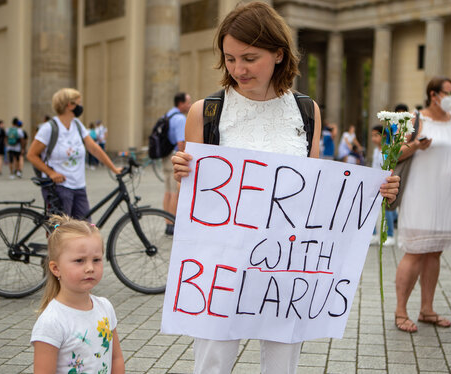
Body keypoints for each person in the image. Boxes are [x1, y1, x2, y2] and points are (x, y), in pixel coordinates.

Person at [170, 3, 400, 372]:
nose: (238, 69)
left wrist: (374, 190)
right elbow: (198, 190)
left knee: (282, 361)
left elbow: (313, 187)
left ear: (279, 53)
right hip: (222, 262)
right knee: (212, 359)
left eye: (249, 57)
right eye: (229, 58)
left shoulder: (306, 111)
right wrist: (183, 170)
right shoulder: (206, 111)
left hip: (286, 263)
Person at [394, 76, 451, 333]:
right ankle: (401, 311)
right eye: (449, 92)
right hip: (420, 195)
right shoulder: (415, 119)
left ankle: (427, 309)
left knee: (434, 252)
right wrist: (416, 146)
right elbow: (394, 153)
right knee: (415, 251)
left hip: (448, 197)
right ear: (433, 95)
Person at [31, 215, 125, 374]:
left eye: (96, 259)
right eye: (79, 261)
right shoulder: (51, 322)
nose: (90, 268)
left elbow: (116, 359)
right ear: (56, 268)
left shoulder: (105, 307)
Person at [27, 88, 122, 220]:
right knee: (59, 230)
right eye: (78, 103)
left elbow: (94, 149)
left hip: (78, 186)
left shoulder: (77, 125)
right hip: (58, 188)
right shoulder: (49, 128)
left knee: (86, 229)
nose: (80, 107)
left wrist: (114, 168)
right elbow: (31, 155)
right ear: (69, 105)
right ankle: (53, 239)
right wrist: (51, 173)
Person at [163, 92, 192, 236]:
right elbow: (181, 142)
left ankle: (167, 222)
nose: (190, 105)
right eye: (188, 102)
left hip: (165, 155)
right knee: (176, 192)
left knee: (168, 191)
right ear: (181, 103)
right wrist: (183, 157)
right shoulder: (180, 118)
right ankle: (172, 222)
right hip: (175, 155)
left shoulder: (168, 115)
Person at [370, 124, 396, 247]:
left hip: (385, 183)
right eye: (372, 136)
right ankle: (374, 234)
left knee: (387, 208)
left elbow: (390, 167)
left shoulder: (388, 150)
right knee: (373, 208)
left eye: (376, 135)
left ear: (384, 136)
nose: (373, 138)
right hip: (375, 182)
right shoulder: (376, 150)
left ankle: (390, 234)